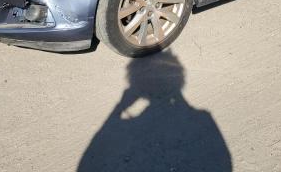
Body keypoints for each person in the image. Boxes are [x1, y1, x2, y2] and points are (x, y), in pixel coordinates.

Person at [77, 51, 232, 172]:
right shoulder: (203, 119)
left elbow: (90, 159)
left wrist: (120, 107)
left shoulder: (202, 119)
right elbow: (223, 161)